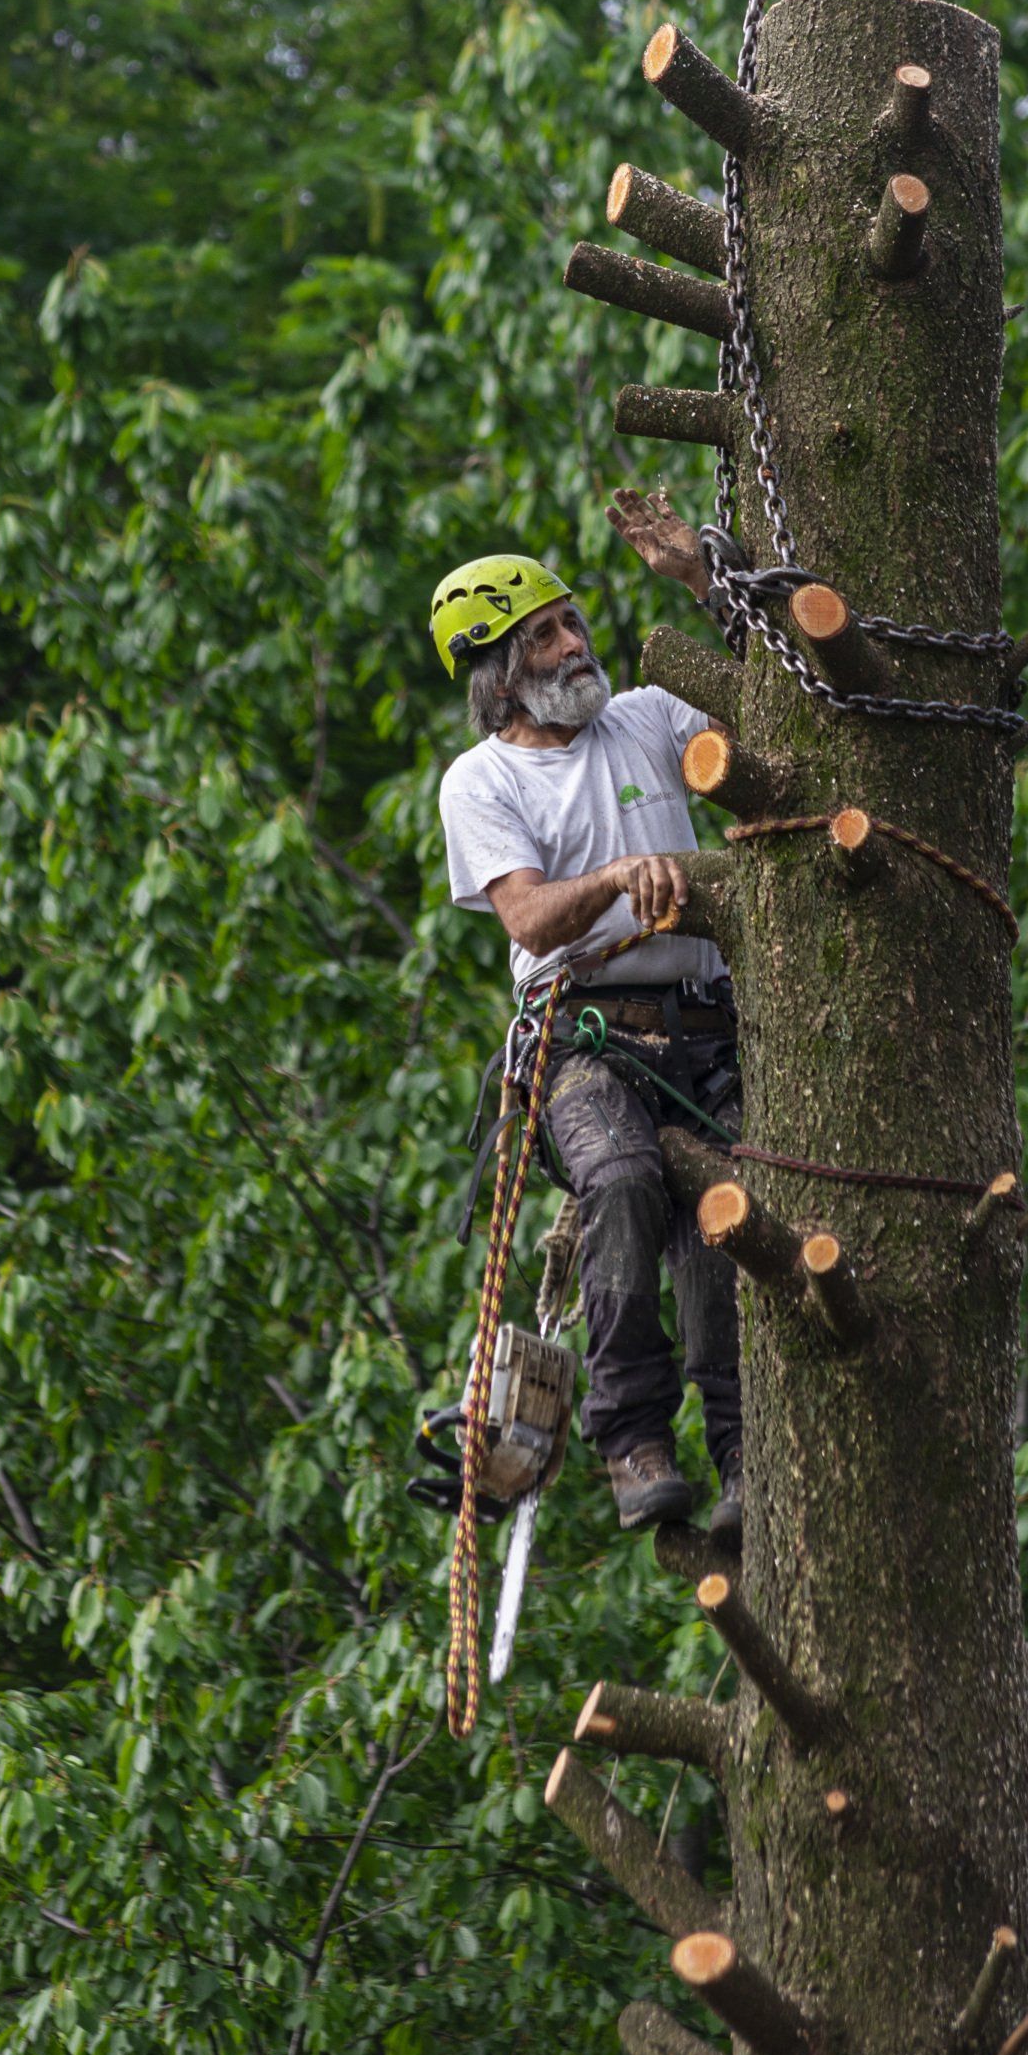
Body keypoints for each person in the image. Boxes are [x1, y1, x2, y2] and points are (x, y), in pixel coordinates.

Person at [432, 496, 744, 1545]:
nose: (575, 642)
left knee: (729, 1222)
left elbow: (780, 713)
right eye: (543, 637)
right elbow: (527, 916)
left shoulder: (650, 717)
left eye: (571, 621)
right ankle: (635, 1441)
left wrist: (702, 580)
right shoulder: (483, 781)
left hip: (704, 1028)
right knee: (621, 1183)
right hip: (587, 1044)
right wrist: (615, 878)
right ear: (498, 676)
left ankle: (743, 1448)